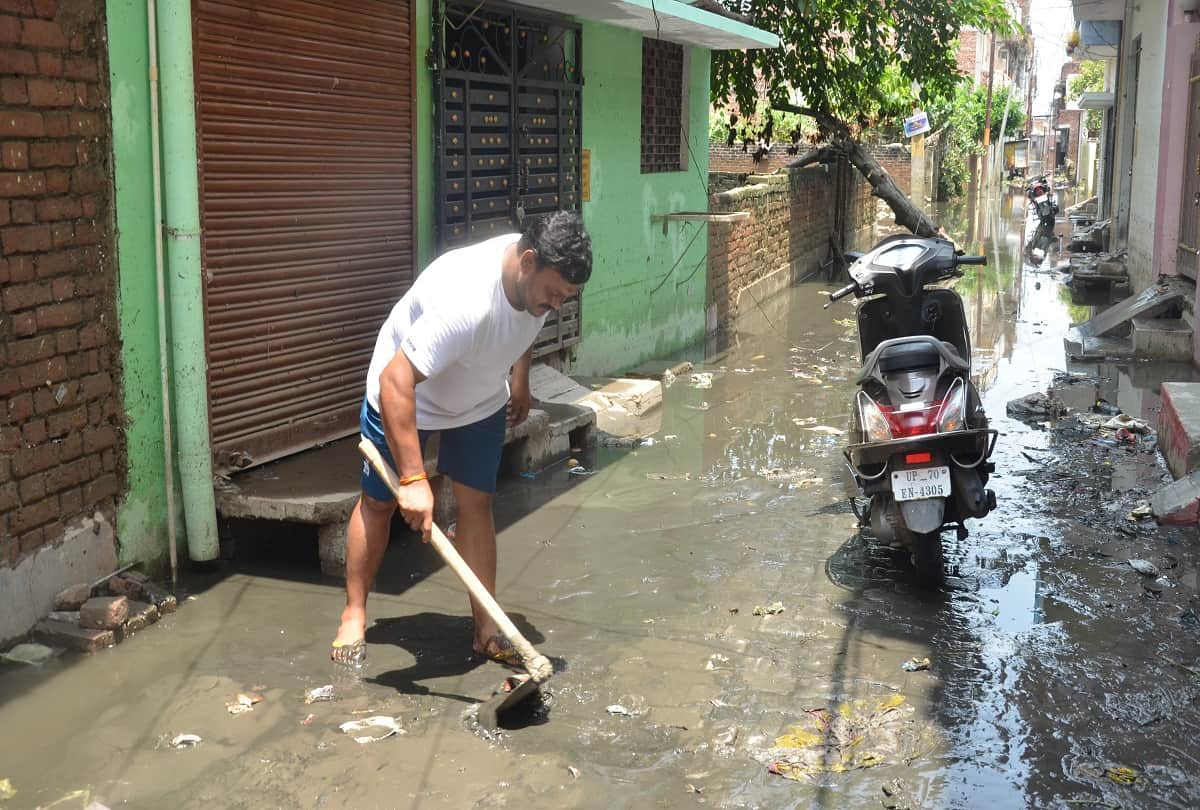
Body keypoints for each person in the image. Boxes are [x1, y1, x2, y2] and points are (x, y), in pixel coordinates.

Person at [331, 211, 593, 666]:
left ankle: (486, 629)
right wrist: (413, 481)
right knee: (379, 503)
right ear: (527, 262)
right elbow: (397, 381)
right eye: (553, 294)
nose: (556, 306)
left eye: (566, 299)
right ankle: (354, 613)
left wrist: (521, 376)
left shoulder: (537, 284)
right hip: (406, 393)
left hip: (479, 398)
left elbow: (526, 321)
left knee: (477, 504)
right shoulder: (467, 301)